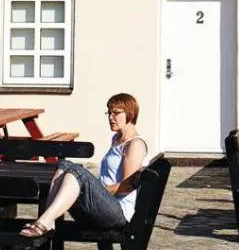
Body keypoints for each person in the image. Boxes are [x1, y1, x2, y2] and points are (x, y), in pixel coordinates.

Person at [22, 92, 147, 236]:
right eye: (109, 113)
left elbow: (127, 186)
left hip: (119, 213)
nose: (111, 118)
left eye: (116, 113)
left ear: (130, 114)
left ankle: (43, 222)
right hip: (105, 207)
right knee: (65, 165)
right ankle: (48, 221)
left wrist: (97, 191)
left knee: (78, 171)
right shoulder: (117, 139)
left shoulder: (135, 144)